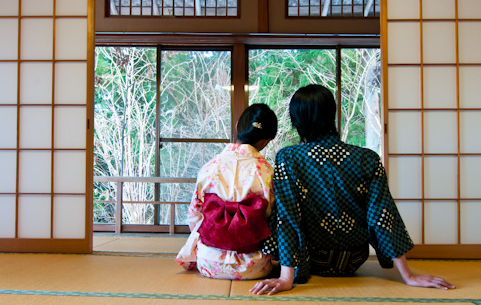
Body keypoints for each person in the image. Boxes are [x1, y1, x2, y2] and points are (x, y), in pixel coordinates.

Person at [250, 85, 455, 295]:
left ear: (297, 120)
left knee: (276, 207)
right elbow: (382, 215)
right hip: (354, 259)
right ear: (332, 114)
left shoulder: (289, 157)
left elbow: (288, 218)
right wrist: (408, 275)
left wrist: (286, 278)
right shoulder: (367, 158)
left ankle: (281, 268)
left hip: (311, 260)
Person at [176, 103, 278, 280]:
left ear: (238, 124)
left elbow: (194, 215)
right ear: (267, 140)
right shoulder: (267, 173)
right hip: (254, 267)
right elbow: (270, 217)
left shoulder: (208, 168)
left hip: (208, 262)